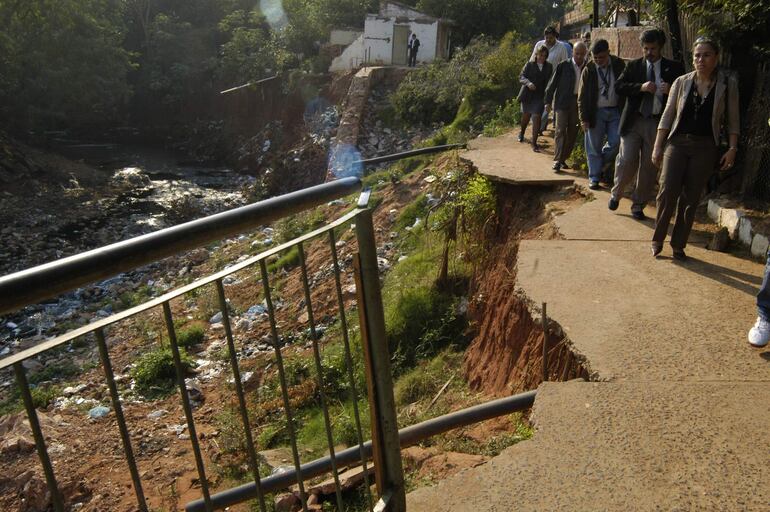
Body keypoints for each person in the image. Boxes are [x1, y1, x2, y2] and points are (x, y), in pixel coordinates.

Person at [651, 36, 739, 260]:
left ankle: (679, 244)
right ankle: (658, 238)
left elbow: (733, 120)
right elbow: (668, 115)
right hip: (678, 143)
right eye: (697, 55)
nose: (701, 60)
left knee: (691, 197)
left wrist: (732, 148)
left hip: (705, 146)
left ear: (716, 58)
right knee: (667, 190)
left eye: (706, 55)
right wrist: (658, 146)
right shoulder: (681, 82)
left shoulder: (726, 86)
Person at [610, 29, 685, 219]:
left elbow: (686, 96)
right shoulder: (634, 66)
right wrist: (640, 87)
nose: (649, 52)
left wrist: (670, 91)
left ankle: (638, 204)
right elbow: (619, 87)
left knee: (649, 167)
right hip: (634, 121)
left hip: (657, 123)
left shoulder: (674, 68)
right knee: (627, 160)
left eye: (652, 48)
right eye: (645, 49)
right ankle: (617, 193)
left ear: (660, 47)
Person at [578, 39, 626, 189]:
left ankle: (599, 163)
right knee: (593, 146)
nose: (598, 61)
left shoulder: (619, 65)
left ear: (608, 53)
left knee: (617, 142)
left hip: (615, 110)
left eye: (602, 57)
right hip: (596, 111)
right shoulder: (589, 69)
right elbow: (582, 96)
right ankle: (594, 177)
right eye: (595, 57)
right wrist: (583, 118)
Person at [545, 41, 588, 172]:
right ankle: (557, 160)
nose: (579, 57)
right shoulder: (563, 66)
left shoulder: (589, 67)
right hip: (562, 101)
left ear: (585, 54)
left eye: (582, 54)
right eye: (577, 53)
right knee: (560, 130)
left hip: (578, 103)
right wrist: (548, 101)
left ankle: (563, 158)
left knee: (573, 132)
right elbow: (552, 85)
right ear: (572, 53)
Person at [531, 26, 570, 135]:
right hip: (538, 80)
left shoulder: (561, 47)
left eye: (551, 38)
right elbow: (532, 60)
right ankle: (538, 126)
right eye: (547, 38)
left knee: (547, 105)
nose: (548, 40)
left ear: (555, 37)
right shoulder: (539, 45)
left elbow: (565, 63)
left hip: (554, 81)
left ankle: (540, 127)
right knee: (537, 104)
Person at [517, 45, 553, 152]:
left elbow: (550, 82)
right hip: (528, 95)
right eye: (540, 55)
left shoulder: (549, 67)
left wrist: (548, 99)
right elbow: (521, 77)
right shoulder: (529, 65)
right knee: (526, 116)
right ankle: (522, 132)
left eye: (544, 56)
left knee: (537, 117)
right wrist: (528, 83)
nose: (542, 57)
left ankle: (534, 142)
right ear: (536, 55)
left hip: (540, 96)